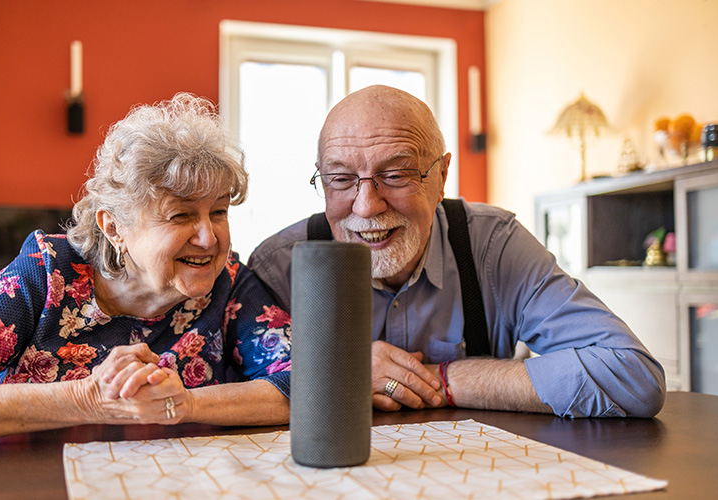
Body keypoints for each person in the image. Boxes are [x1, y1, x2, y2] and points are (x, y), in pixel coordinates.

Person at [249, 85, 665, 418]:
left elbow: (632, 375)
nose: (366, 205)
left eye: (395, 175)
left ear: (442, 175)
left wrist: (440, 379)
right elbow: (237, 394)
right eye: (340, 179)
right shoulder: (279, 267)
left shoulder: (494, 246)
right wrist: (345, 370)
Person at [0, 93, 292, 448]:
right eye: (181, 215)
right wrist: (88, 398)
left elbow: (311, 383)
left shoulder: (228, 282)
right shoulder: (48, 273)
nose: (209, 238)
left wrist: (186, 404)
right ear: (114, 227)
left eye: (219, 212)